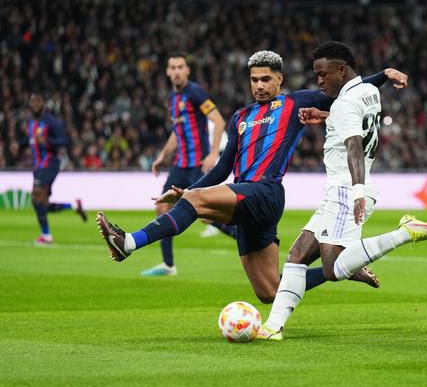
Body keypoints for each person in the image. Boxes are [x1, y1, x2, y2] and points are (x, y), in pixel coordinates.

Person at [97, 50, 402, 302]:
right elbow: (221, 168)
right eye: (254, 79)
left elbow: (348, 90)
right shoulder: (240, 118)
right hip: (245, 198)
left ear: (279, 79)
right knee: (271, 291)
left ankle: (129, 243)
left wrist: (384, 76)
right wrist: (186, 190)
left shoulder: (295, 102)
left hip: (266, 192)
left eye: (266, 79)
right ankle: (343, 268)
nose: (259, 85)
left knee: (197, 202)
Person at [257, 41, 427, 340]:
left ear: (342, 70)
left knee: (333, 268)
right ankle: (273, 328)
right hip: (339, 189)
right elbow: (354, 119)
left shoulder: (344, 103)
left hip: (346, 189)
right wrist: (326, 117)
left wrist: (357, 190)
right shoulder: (367, 92)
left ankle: (407, 232)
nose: (319, 81)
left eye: (323, 74)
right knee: (296, 257)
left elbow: (354, 146)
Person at [142, 53, 233, 276]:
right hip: (180, 164)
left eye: (180, 67)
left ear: (187, 70)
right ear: (167, 71)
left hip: (197, 164)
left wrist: (213, 153)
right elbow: (178, 132)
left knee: (205, 215)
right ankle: (168, 265)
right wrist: (163, 155)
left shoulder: (195, 92)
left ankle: (247, 238)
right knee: (162, 207)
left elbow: (219, 121)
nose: (176, 71)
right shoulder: (172, 99)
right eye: (172, 67)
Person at [23, 91, 87, 245]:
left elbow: (64, 141)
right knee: (41, 203)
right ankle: (73, 206)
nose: (36, 104)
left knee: (36, 195)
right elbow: (29, 140)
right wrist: (18, 145)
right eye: (33, 101)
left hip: (50, 163)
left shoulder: (51, 121)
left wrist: (47, 140)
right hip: (38, 166)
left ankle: (46, 236)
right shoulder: (31, 121)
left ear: (43, 103)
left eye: (38, 101)